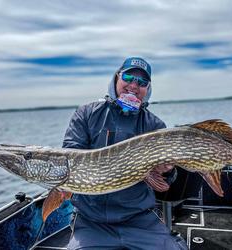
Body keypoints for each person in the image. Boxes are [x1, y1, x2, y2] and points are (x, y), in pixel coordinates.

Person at [63, 57, 188, 250]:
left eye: (142, 82)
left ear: (148, 88)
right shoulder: (87, 114)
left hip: (140, 220)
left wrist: (167, 171)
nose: (134, 85)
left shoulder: (155, 126)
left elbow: (167, 182)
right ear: (116, 79)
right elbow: (71, 161)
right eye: (128, 77)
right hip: (92, 223)